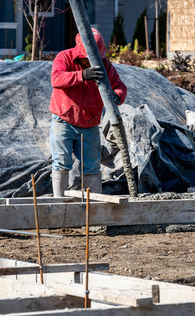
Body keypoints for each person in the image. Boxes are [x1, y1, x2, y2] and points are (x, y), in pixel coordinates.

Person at [49, 28, 127, 197]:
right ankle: (59, 206)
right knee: (61, 163)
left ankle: (93, 209)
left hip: (90, 123)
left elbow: (120, 87)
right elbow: (56, 79)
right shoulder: (65, 57)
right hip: (64, 120)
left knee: (92, 166)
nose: (94, 62)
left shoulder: (105, 65)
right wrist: (82, 74)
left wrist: (117, 96)